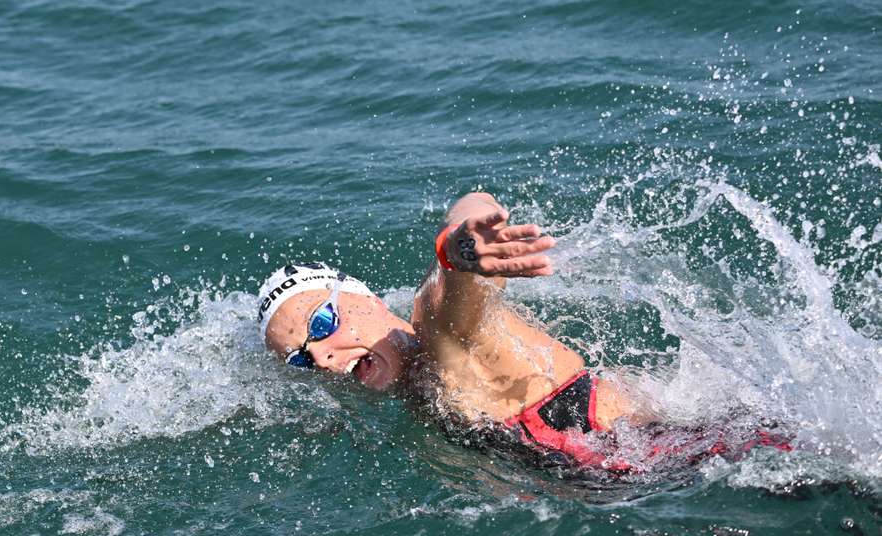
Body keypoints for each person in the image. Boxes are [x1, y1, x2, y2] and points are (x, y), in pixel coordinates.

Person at [257, 192, 788, 473]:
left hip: (704, 454)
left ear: (364, 298)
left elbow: (457, 276)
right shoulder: (414, 382)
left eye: (321, 325)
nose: (323, 358)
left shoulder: (434, 330)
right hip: (657, 472)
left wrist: (461, 250)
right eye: (302, 358)